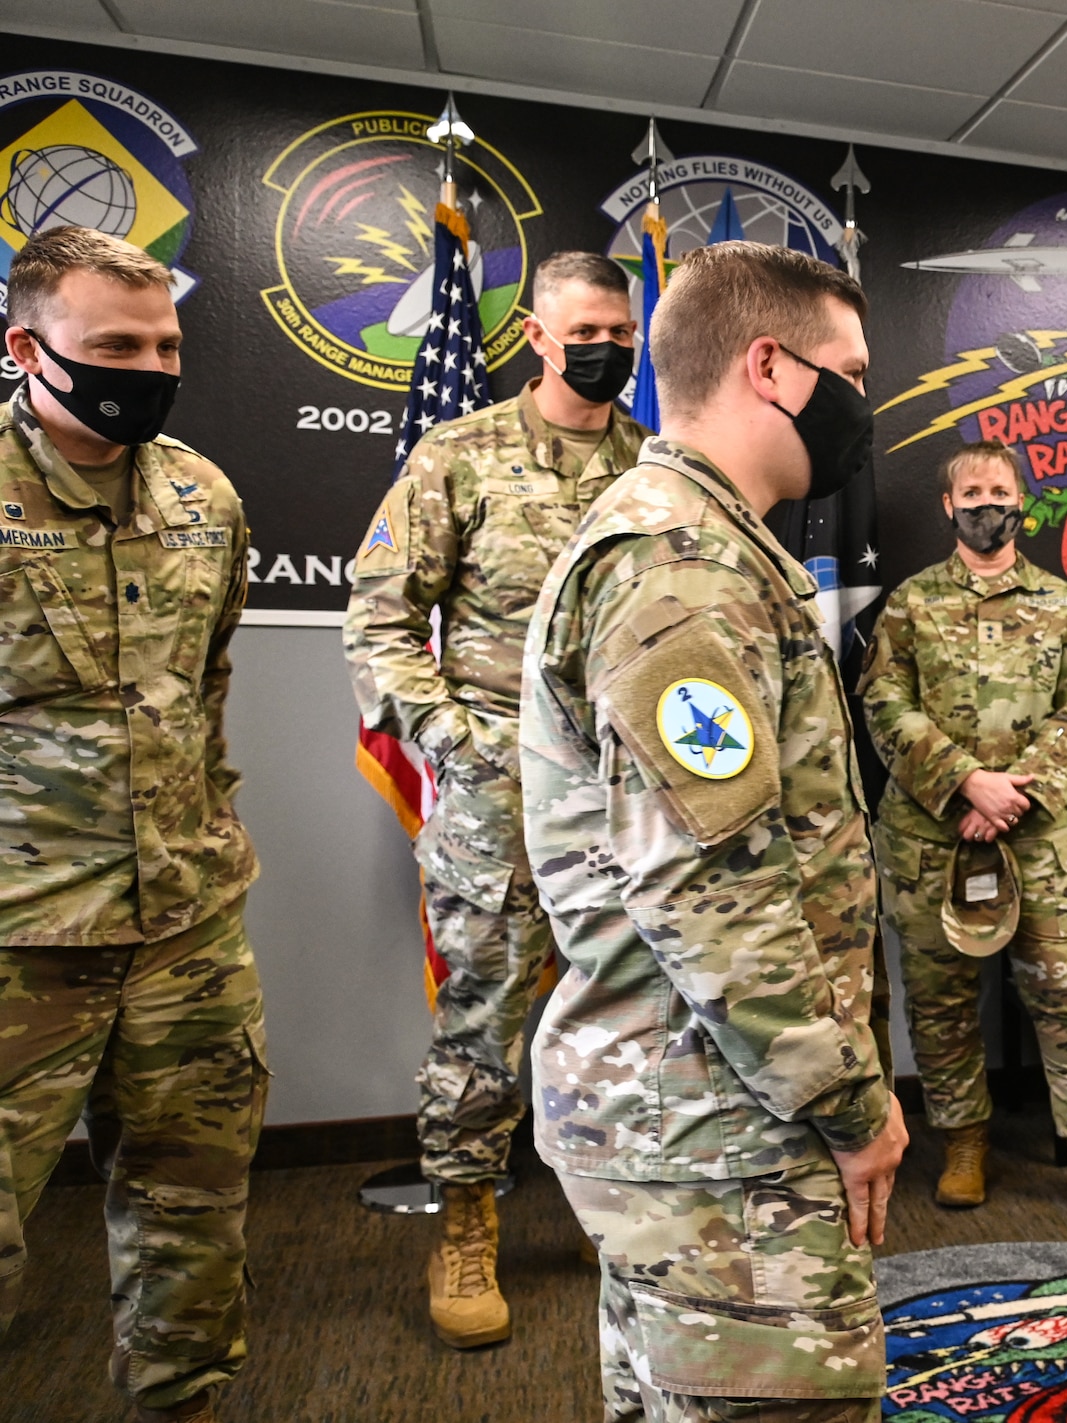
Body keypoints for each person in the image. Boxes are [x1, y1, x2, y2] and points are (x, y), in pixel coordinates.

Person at [520, 239, 907, 1423]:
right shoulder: (681, 564)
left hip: (698, 1112)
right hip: (720, 1126)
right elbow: (713, 896)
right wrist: (853, 1104)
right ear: (769, 367)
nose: (861, 401)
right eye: (848, 368)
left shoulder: (708, 541)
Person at [342, 251, 645, 1347]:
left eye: (623, 328)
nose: (608, 345)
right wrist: (455, 743)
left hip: (622, 791)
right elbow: (378, 620)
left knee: (619, 1006)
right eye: (588, 329)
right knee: (484, 1016)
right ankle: (466, 1218)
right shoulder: (458, 455)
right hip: (496, 789)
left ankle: (602, 1202)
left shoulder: (657, 466)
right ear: (537, 335)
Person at [0, 227, 261, 1423]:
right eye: (115, 345)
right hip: (19, 944)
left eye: (164, 343)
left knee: (191, 1218)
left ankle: (180, 1402)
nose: (149, 367)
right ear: (26, 345)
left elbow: (202, 687)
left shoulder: (203, 495)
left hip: (186, 928)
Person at [859, 440, 1067, 1223]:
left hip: (1037, 837)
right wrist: (962, 782)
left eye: (999, 490)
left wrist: (1011, 796)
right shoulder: (909, 604)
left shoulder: (1061, 603)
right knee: (941, 1006)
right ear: (948, 506)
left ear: (1022, 502)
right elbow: (884, 706)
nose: (986, 502)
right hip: (930, 839)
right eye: (971, 491)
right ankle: (964, 1144)